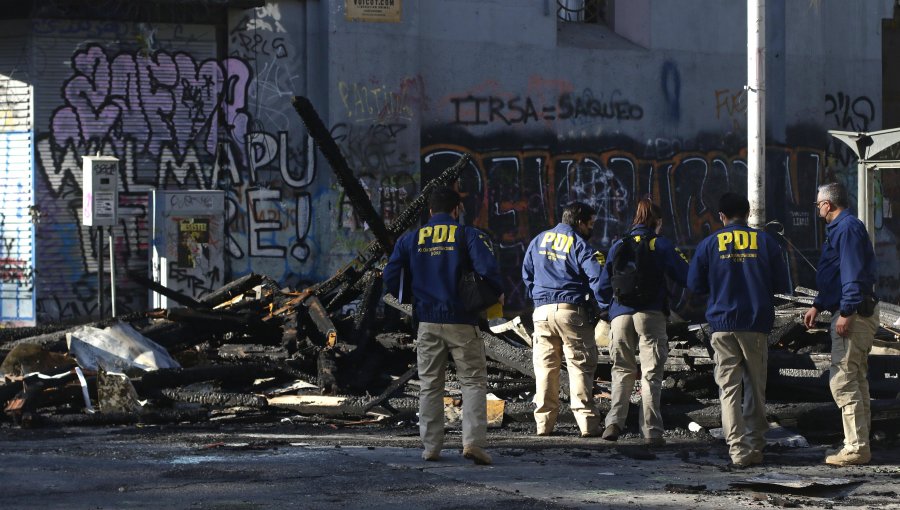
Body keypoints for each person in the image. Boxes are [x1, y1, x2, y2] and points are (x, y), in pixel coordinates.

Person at [382, 186, 502, 465]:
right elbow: (489, 272)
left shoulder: (411, 238)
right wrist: (481, 298)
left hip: (427, 321)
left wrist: (411, 297)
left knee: (430, 385)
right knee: (472, 382)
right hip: (462, 320)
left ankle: (431, 447)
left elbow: (391, 275)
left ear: (429, 210)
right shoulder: (467, 234)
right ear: (456, 210)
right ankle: (472, 442)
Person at [687, 192, 790, 467]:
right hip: (755, 325)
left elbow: (694, 285)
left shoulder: (709, 244)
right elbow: (782, 285)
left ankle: (737, 450)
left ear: (721, 216)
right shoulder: (766, 242)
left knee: (729, 390)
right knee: (755, 388)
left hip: (721, 325)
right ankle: (756, 445)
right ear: (748, 214)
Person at [598, 198, 689, 446]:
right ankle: (651, 432)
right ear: (656, 222)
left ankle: (613, 424)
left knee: (621, 371)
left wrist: (609, 309)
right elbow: (685, 276)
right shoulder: (660, 244)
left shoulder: (619, 245)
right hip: (650, 314)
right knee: (651, 374)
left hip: (620, 316)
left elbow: (602, 285)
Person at [803, 182, 879, 466]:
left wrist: (847, 311)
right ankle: (859, 442)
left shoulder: (846, 228)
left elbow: (852, 273)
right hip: (853, 309)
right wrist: (819, 304)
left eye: (818, 204)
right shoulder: (843, 228)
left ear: (828, 204)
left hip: (854, 313)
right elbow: (836, 272)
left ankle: (856, 447)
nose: (817, 209)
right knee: (856, 379)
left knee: (843, 380)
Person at [522, 202, 605, 437]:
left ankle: (543, 425)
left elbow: (526, 273)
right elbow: (597, 277)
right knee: (580, 366)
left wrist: (539, 297)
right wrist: (605, 307)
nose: (592, 228)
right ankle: (588, 424)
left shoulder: (538, 240)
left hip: (541, 312)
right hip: (571, 311)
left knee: (546, 368)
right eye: (590, 223)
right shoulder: (579, 244)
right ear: (579, 222)